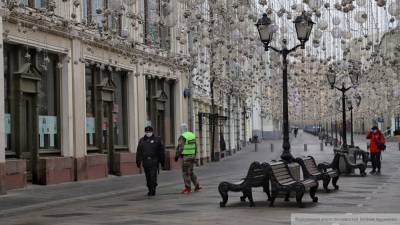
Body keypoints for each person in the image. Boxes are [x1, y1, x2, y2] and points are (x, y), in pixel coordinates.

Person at [136, 126, 165, 196]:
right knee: (148, 176)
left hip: (154, 161)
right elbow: (139, 151)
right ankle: (150, 188)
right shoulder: (142, 140)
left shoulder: (157, 140)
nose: (148, 133)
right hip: (145, 161)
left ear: (152, 132)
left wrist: (162, 161)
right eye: (146, 132)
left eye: (149, 132)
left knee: (153, 176)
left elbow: (161, 151)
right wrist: (138, 161)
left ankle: (153, 188)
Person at [175, 127, 201, 194]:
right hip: (192, 156)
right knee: (191, 172)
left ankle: (188, 188)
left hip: (186, 157)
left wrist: (177, 155)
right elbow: (195, 147)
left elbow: (180, 147)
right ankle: (197, 185)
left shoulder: (182, 137)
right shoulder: (192, 136)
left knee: (186, 173)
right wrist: (195, 156)